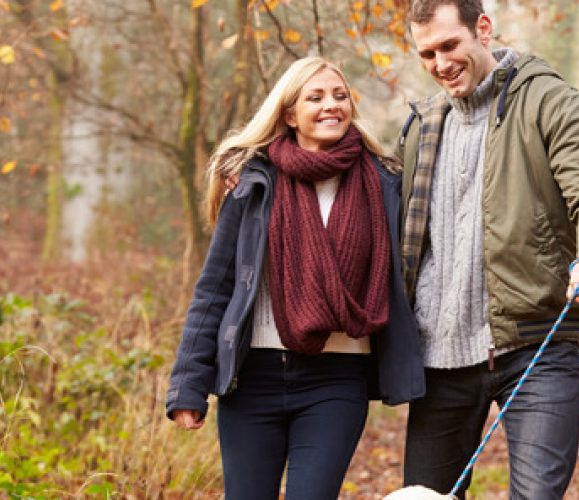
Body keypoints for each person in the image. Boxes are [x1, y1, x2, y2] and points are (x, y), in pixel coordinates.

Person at [395, 1, 579, 498]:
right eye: (427, 54)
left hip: (534, 345)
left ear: (483, 28)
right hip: (439, 360)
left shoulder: (552, 103)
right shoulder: (421, 127)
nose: (440, 64)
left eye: (450, 45)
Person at [164, 57, 425, 500]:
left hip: (337, 378)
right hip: (253, 379)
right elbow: (216, 286)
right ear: (289, 113)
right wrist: (188, 383)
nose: (331, 106)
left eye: (340, 96)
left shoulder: (383, 182)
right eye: (316, 97)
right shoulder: (252, 182)